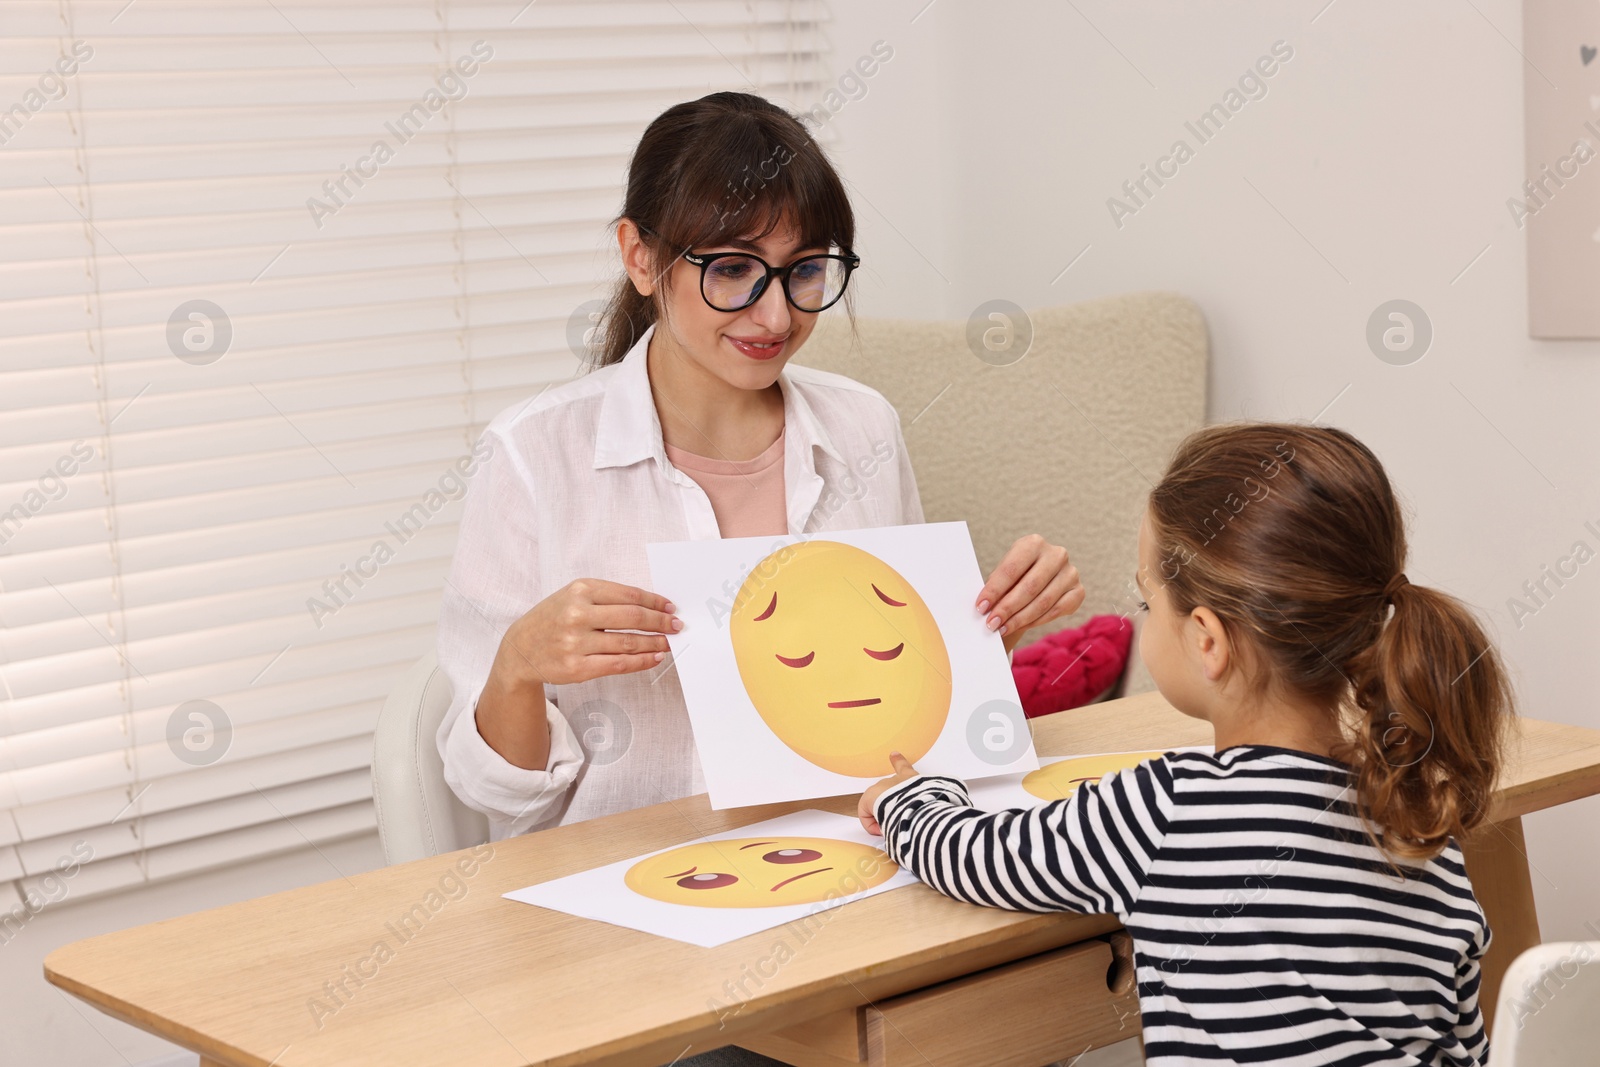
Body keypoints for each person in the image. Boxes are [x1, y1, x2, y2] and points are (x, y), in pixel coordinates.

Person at [433, 91, 1085, 1065]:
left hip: (857, 884)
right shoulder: (534, 456)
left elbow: (889, 711)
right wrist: (518, 666)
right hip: (637, 925)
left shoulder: (862, 425)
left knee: (1034, 1000)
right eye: (732, 270)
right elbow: (505, 801)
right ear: (640, 256)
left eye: (804, 271)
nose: (775, 313)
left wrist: (985, 625)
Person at [861, 423, 1512, 1067]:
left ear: (1207, 639)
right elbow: (1466, 1048)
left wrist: (909, 799)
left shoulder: (1167, 809)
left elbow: (983, 856)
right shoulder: (1420, 814)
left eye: (1148, 602)